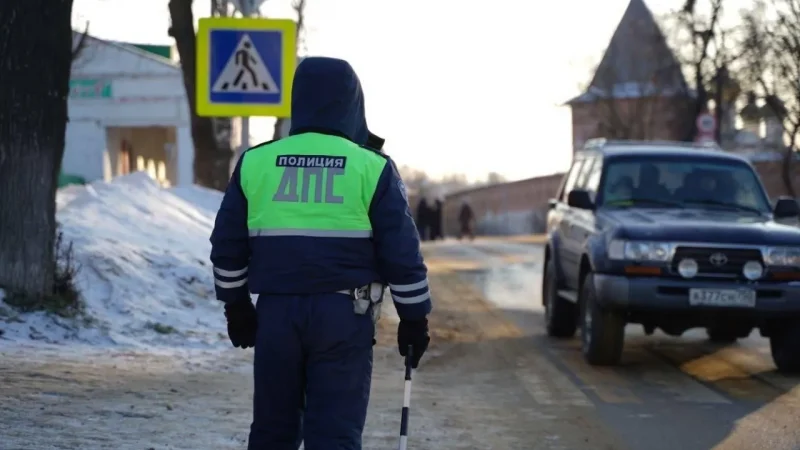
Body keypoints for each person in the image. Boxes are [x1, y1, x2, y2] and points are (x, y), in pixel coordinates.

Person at [209, 56, 433, 450]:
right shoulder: (372, 167)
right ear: (353, 103)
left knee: (273, 432)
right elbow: (401, 252)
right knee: (334, 435)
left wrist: (237, 306)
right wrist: (414, 318)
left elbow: (227, 247)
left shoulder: (256, 162)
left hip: (276, 315)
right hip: (344, 318)